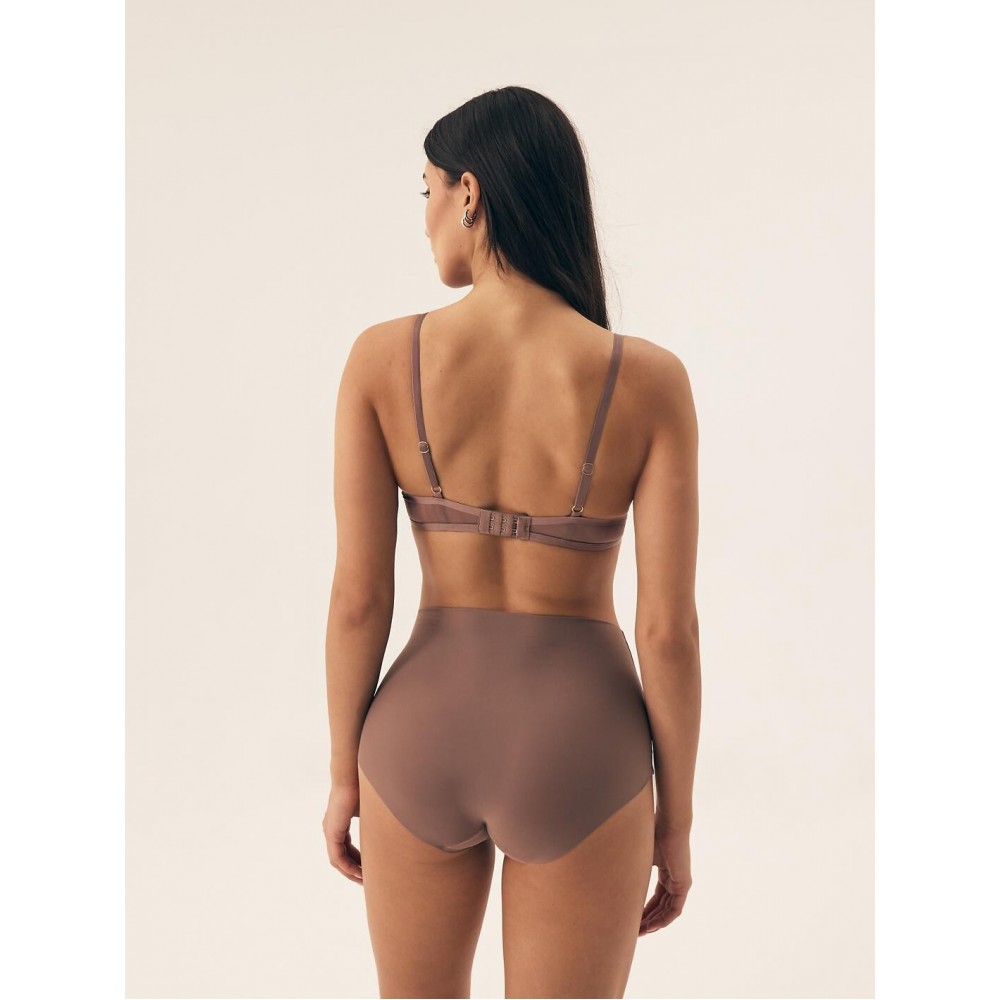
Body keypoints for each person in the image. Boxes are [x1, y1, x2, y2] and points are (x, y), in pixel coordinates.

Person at [322, 85, 701, 1000]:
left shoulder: (380, 359)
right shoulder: (648, 380)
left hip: (419, 733)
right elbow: (667, 633)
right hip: (581, 741)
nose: (424, 219)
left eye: (426, 191)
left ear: (470, 193)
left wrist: (343, 778)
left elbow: (359, 601)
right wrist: (676, 821)